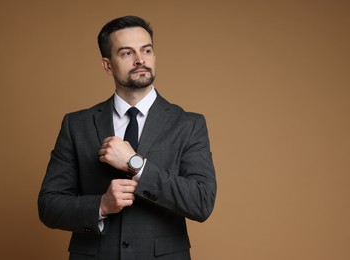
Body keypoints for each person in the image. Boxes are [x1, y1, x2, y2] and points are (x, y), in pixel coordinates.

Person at [38, 15, 217, 260]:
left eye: (146, 50)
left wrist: (136, 164)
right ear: (107, 65)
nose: (140, 60)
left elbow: (201, 202)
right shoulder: (76, 125)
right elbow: (49, 206)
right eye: (126, 53)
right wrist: (101, 205)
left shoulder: (189, 124)